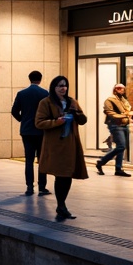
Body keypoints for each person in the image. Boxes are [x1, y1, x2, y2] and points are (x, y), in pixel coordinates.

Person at [35, 75, 88, 221]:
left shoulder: (72, 102)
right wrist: (56, 122)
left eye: (65, 85)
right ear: (54, 87)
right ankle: (61, 205)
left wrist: (77, 114)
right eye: (59, 85)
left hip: (71, 144)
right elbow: (39, 123)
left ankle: (61, 205)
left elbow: (83, 120)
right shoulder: (45, 102)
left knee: (67, 174)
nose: (63, 88)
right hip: (56, 145)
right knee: (61, 175)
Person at [10, 71, 50, 196]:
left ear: (29, 79)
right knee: (41, 159)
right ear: (40, 79)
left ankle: (29, 187)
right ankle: (42, 187)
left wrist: (23, 120)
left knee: (29, 159)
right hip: (41, 131)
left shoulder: (22, 94)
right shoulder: (45, 94)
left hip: (26, 131)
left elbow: (14, 111)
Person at [95, 83, 133, 177]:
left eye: (123, 89)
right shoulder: (110, 100)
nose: (122, 90)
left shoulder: (124, 101)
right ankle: (101, 162)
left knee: (121, 148)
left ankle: (118, 168)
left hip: (124, 124)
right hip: (115, 125)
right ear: (115, 89)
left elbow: (128, 111)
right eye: (119, 88)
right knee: (121, 146)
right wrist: (126, 115)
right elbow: (110, 113)